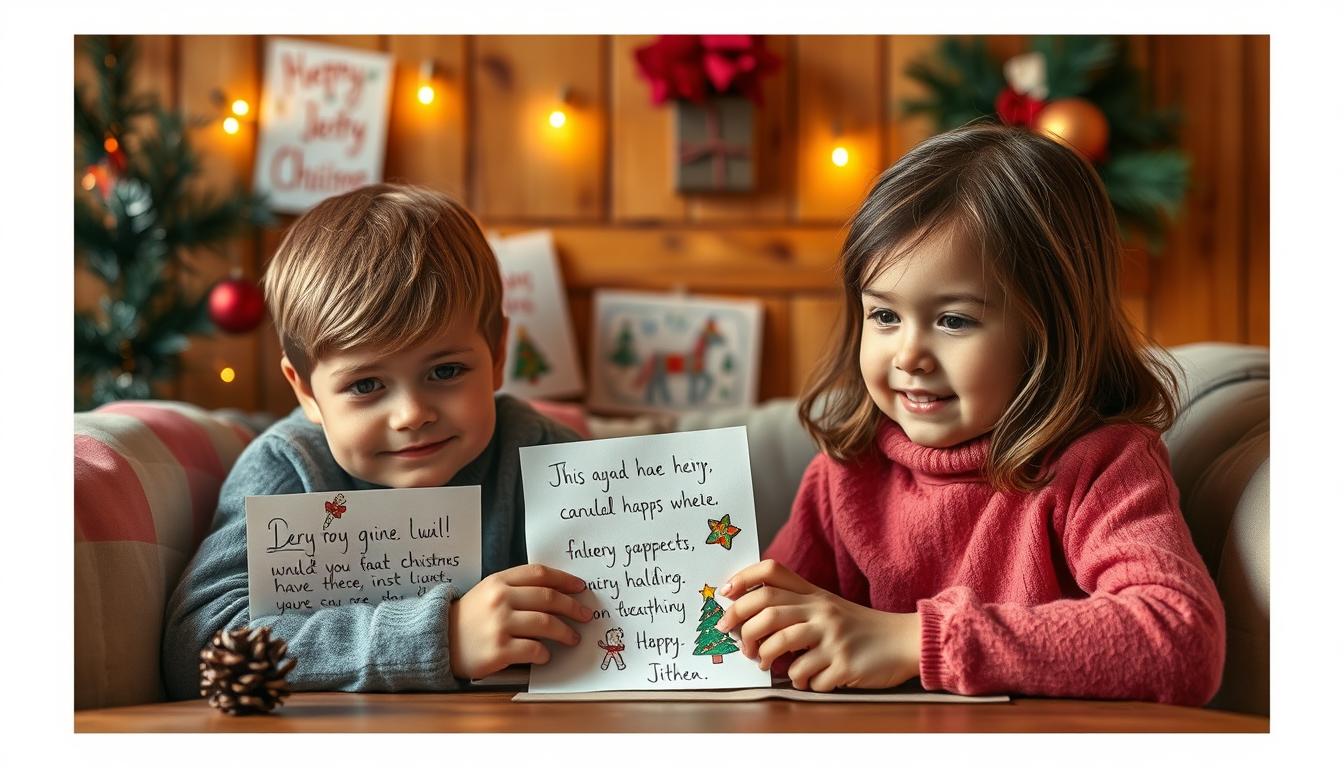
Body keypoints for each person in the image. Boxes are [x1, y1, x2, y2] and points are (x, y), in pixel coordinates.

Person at [715, 123, 1226, 705]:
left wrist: (919, 640)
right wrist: (598, 618)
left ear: (1049, 332)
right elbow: (750, 645)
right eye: (884, 316)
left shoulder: (1103, 466)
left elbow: (1181, 637)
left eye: (954, 320)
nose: (908, 355)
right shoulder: (844, 476)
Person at [162, 184, 591, 698]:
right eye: (366, 385)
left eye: (446, 370)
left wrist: (714, 595)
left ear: (498, 353)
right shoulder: (290, 468)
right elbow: (200, 649)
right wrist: (441, 637)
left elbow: (652, 585)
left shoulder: (547, 453)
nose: (411, 414)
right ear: (306, 391)